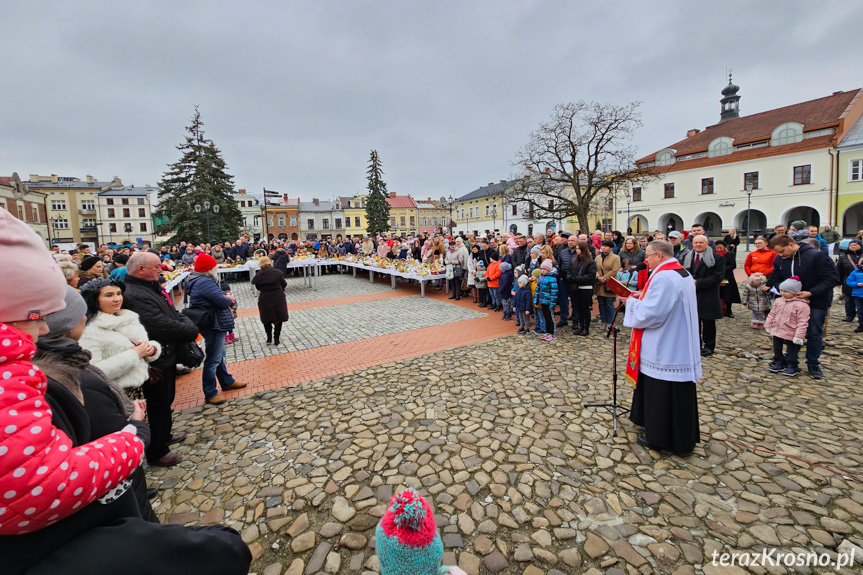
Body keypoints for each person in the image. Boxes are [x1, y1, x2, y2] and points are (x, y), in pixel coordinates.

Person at [619, 240, 701, 456]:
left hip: (666, 344)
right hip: (677, 338)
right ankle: (670, 432)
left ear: (660, 256)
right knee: (670, 391)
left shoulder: (664, 277)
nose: (645, 260)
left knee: (661, 391)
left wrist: (630, 303)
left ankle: (660, 436)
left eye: (648, 255)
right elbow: (660, 302)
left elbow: (652, 314)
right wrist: (641, 296)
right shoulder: (678, 271)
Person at [123, 252, 199, 465]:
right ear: (140, 269)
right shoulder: (135, 294)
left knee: (166, 401)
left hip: (164, 355)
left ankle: (164, 435)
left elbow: (172, 313)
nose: (161, 269)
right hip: (154, 358)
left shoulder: (147, 288)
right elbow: (158, 325)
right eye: (156, 266)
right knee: (157, 404)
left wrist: (186, 324)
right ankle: (157, 450)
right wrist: (190, 329)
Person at [766, 234, 840, 379]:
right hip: (791, 303)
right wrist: (783, 290)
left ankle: (813, 363)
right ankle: (790, 360)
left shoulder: (816, 256)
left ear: (791, 245)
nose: (780, 255)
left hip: (816, 302)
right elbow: (775, 277)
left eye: (782, 251)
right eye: (778, 253)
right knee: (789, 331)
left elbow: (832, 278)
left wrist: (811, 292)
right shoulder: (780, 259)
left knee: (813, 333)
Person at [78, 277, 161, 403]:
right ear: (94, 300)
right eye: (109, 295)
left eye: (119, 294)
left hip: (141, 385)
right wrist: (134, 354)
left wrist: (151, 349)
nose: (117, 299)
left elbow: (142, 344)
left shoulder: (127, 318)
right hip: (117, 395)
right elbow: (93, 372)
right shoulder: (89, 330)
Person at [185, 254, 248, 405]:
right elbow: (219, 301)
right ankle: (210, 392)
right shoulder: (204, 282)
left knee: (218, 355)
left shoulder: (199, 280)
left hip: (213, 321)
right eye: (214, 266)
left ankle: (226, 381)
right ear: (208, 269)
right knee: (213, 358)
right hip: (213, 322)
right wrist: (230, 299)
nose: (216, 269)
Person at [683, 235, 724, 357]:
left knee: (708, 323)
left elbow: (718, 277)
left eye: (701, 242)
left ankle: (709, 346)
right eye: (696, 243)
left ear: (707, 244)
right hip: (692, 294)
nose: (698, 245)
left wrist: (698, 282)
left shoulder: (717, 258)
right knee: (694, 322)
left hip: (708, 294)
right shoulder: (688, 256)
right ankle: (696, 344)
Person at [765, 277, 811, 376]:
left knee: (792, 350)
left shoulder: (802, 305)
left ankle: (792, 365)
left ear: (795, 292)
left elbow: (803, 322)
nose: (783, 293)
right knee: (777, 347)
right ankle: (779, 361)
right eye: (781, 290)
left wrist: (799, 335)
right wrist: (768, 324)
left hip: (792, 331)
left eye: (786, 291)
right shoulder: (778, 301)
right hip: (778, 329)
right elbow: (772, 313)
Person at [251, 256, 290, 345]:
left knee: (266, 318)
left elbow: (258, 287)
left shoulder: (259, 275)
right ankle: (276, 338)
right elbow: (284, 283)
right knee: (279, 317)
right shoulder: (277, 273)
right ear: (270, 263)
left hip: (265, 297)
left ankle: (269, 338)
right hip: (278, 296)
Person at [567, 241, 597, 336]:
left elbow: (591, 275)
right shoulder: (575, 261)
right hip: (576, 287)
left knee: (585, 308)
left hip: (586, 288)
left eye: (578, 249)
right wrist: (569, 278)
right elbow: (569, 271)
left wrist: (576, 279)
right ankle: (581, 326)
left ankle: (586, 328)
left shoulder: (590, 262)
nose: (577, 251)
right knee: (579, 308)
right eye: (576, 249)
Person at [594, 240, 621, 332]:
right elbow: (595, 268)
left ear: (611, 248)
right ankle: (603, 321)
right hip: (599, 284)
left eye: (606, 246)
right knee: (601, 304)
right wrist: (598, 277)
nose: (603, 247)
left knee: (609, 304)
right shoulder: (598, 257)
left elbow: (614, 270)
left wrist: (604, 278)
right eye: (603, 246)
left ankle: (610, 322)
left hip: (610, 283)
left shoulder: (616, 258)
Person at [838, 240, 863, 321]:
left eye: (855, 245)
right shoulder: (843, 257)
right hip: (848, 281)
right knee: (849, 299)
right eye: (851, 245)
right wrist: (839, 281)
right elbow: (839, 270)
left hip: (861, 281)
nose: (853, 246)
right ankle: (850, 315)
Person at [715, 241, 741, 318]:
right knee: (717, 294)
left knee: (728, 294)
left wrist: (722, 269)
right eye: (717, 247)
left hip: (728, 276)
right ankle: (718, 310)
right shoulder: (713, 254)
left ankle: (729, 310)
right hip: (716, 276)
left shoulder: (730, 254)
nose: (719, 249)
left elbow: (733, 265)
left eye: (721, 247)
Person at [534, 259, 558, 340]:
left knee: (550, 317)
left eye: (544, 269)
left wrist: (552, 305)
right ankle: (548, 332)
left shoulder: (552, 279)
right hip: (543, 301)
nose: (543, 271)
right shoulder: (541, 278)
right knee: (546, 317)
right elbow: (537, 290)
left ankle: (553, 333)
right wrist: (536, 300)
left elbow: (554, 294)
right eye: (542, 269)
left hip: (549, 302)